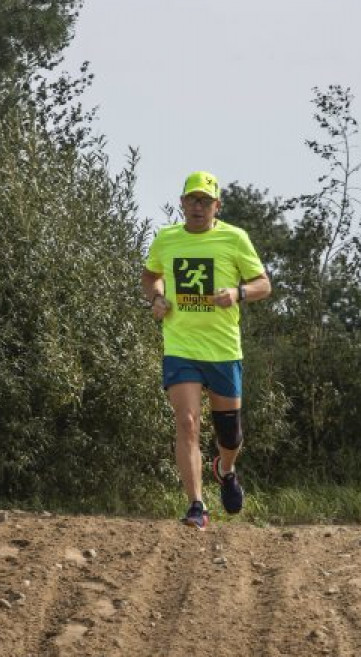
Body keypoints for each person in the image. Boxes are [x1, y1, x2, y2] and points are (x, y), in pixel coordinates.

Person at [141, 171, 272, 531]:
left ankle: (225, 469)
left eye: (205, 201)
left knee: (230, 436)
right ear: (181, 203)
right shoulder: (167, 239)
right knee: (187, 423)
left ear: (217, 206)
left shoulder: (234, 238)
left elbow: (264, 284)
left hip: (223, 349)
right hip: (181, 346)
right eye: (192, 200)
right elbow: (150, 275)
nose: (198, 207)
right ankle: (197, 506)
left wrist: (238, 294)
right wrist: (156, 297)